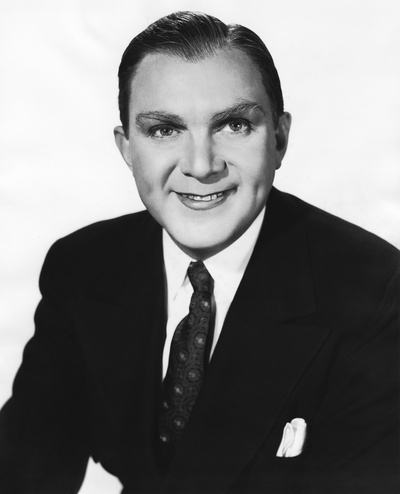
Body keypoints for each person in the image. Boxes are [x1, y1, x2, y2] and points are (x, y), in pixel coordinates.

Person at [0, 10, 398, 494]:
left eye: (234, 124)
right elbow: (23, 468)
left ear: (279, 139)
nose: (201, 165)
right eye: (164, 130)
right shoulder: (84, 267)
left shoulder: (375, 289)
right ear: (127, 148)